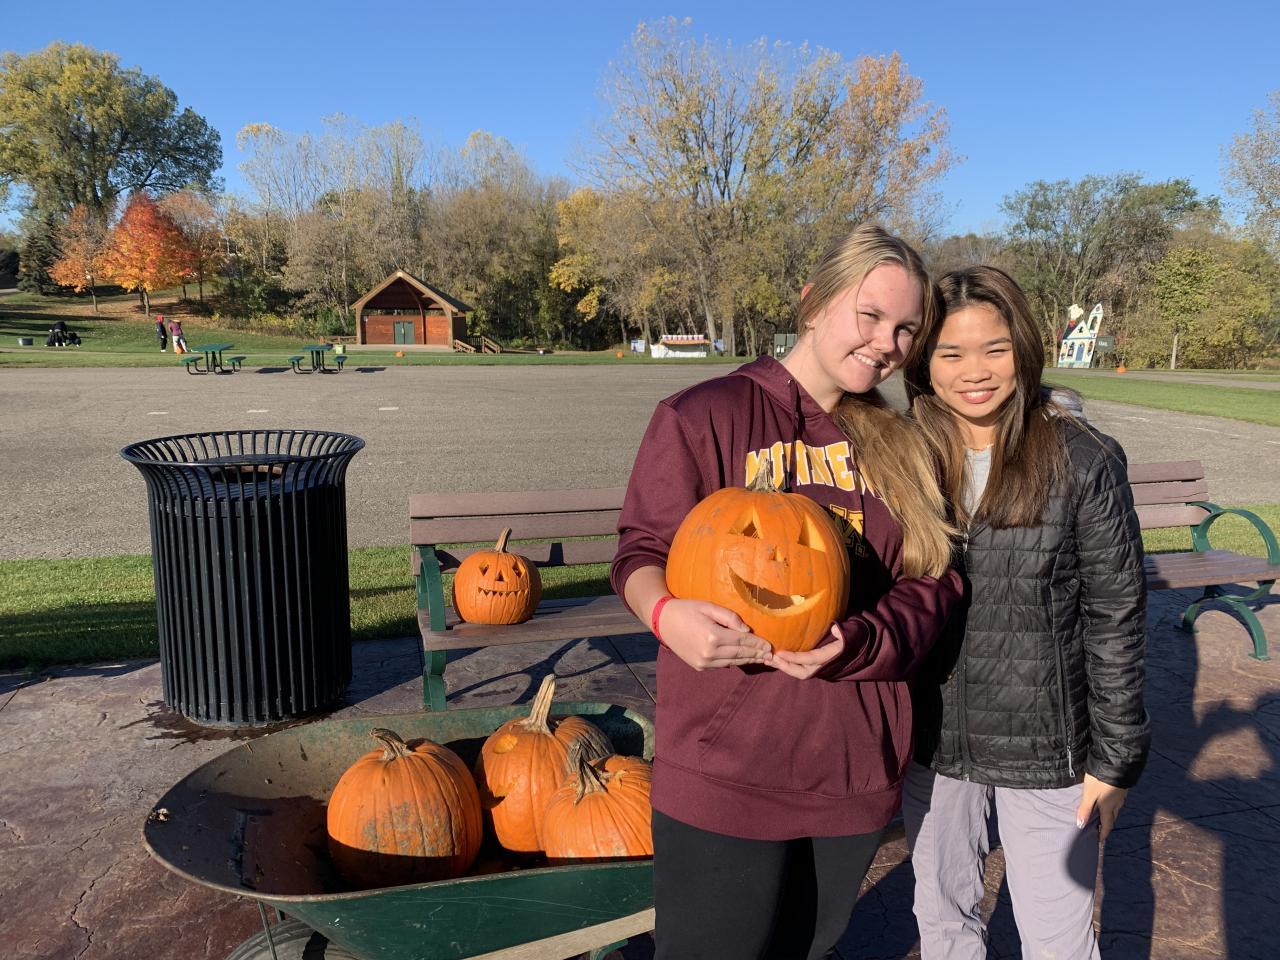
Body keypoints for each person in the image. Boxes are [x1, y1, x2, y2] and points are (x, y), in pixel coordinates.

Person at [610, 224, 964, 960]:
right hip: (728, 766)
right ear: (814, 302)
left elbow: (935, 581)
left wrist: (863, 640)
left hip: (852, 763)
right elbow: (641, 552)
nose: (886, 343)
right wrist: (666, 614)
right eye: (870, 315)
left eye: (905, 329)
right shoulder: (703, 414)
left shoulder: (903, 443)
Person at [900, 266, 1149, 959]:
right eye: (951, 353)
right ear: (923, 363)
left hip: (1046, 746)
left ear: (1025, 349)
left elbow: (1117, 616)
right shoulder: (903, 456)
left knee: (1058, 940)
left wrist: (1115, 759)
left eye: (995, 348)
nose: (974, 372)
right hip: (935, 740)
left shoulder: (1083, 458)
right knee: (943, 922)